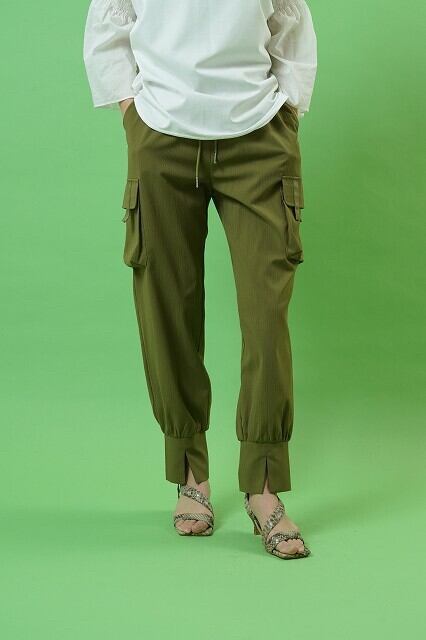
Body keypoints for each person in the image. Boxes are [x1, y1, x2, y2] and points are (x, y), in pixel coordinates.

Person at [83, 0, 317, 560]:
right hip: (161, 132)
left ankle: (264, 483)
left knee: (266, 317)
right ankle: (190, 473)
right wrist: (131, 111)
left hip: (258, 134)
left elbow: (290, 18)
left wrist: (287, 109)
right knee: (166, 307)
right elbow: (110, 18)